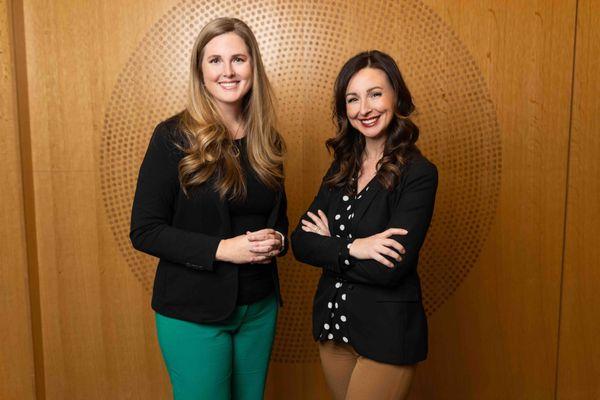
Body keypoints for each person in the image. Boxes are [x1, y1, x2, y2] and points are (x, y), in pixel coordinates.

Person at [129, 17, 287, 400]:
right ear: (200, 71)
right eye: (215, 60)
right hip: (192, 311)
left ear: (254, 67)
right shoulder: (172, 137)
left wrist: (278, 238)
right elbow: (145, 230)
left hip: (259, 308)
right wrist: (223, 249)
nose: (228, 71)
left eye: (238, 59)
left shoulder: (268, 140)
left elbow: (276, 217)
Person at [291, 50, 438, 400]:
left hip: (386, 335)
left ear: (396, 95)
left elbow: (390, 267)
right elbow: (300, 243)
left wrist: (329, 247)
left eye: (375, 94)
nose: (364, 109)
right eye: (352, 99)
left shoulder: (418, 174)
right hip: (334, 330)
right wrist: (356, 247)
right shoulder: (341, 169)